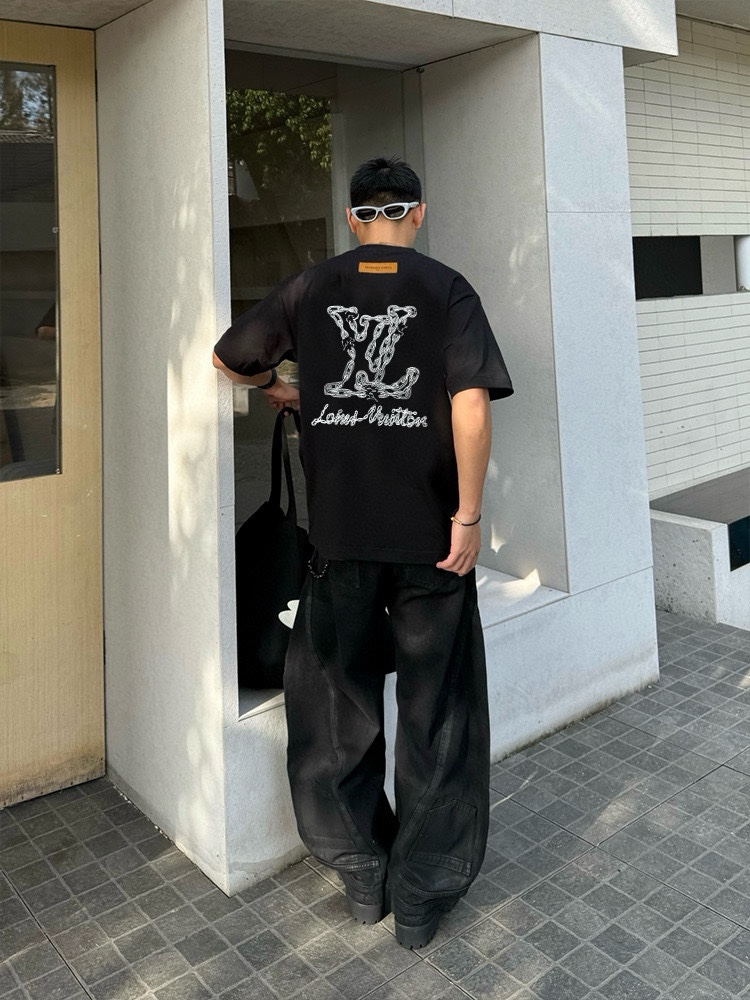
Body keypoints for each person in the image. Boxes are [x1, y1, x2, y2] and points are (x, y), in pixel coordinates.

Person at [213, 156, 513, 949]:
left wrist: (281, 388)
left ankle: (361, 874)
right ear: (418, 214)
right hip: (432, 544)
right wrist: (468, 516)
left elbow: (229, 357)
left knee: (336, 714)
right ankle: (420, 898)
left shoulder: (309, 288)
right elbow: (470, 407)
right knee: (437, 716)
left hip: (339, 543)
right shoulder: (447, 289)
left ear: (354, 219)